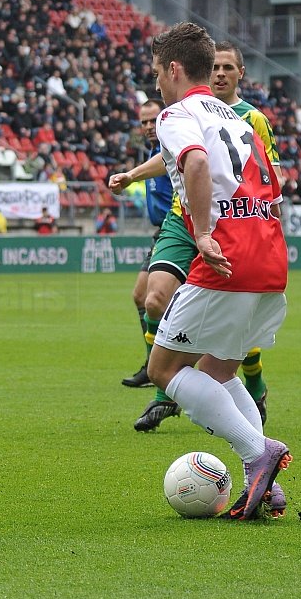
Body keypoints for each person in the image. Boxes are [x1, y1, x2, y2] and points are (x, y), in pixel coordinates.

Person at [141, 22, 291, 520]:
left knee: (165, 369)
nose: (157, 83)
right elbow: (273, 182)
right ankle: (265, 482)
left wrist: (203, 233)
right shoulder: (236, 115)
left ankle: (258, 454)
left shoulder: (176, 113)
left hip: (227, 253)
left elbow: (197, 163)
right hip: (268, 250)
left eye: (158, 73)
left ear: (175, 69)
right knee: (219, 369)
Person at [112, 41, 283, 433]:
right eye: (216, 66)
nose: (221, 73)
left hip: (227, 225)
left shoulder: (248, 118)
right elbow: (180, 156)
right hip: (183, 218)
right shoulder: (189, 113)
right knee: (152, 297)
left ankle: (235, 397)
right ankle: (167, 385)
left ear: (239, 73)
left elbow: (266, 176)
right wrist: (134, 174)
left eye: (228, 67)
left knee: (219, 343)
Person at [118, 99, 172, 389]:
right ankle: (153, 366)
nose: (149, 127)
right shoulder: (154, 153)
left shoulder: (174, 150)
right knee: (141, 297)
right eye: (144, 122)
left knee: (153, 299)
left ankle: (164, 366)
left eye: (154, 120)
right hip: (160, 233)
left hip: (177, 233)